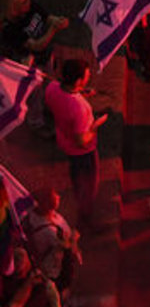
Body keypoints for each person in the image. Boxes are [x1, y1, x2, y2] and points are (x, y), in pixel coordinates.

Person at [44, 58, 105, 224]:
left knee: (76, 174)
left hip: (63, 139)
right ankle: (86, 214)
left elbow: (58, 102)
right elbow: (81, 140)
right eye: (86, 76)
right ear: (78, 81)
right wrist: (94, 127)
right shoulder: (80, 108)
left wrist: (80, 93)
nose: (89, 77)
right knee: (88, 184)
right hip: (82, 152)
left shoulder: (52, 87)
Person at [21, 189, 81, 293]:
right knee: (58, 291)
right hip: (54, 270)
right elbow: (68, 247)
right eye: (55, 197)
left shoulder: (38, 215)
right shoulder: (48, 231)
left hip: (55, 265)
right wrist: (74, 238)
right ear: (45, 204)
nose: (59, 197)